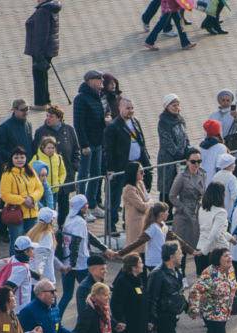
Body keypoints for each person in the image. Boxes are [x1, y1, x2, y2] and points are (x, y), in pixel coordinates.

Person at [58, 195, 116, 315]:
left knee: (66, 296)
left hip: (67, 262)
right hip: (80, 264)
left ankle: (55, 320)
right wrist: (73, 264)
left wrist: (104, 249)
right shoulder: (79, 222)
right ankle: (100, 314)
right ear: (81, 207)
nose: (87, 206)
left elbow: (87, 235)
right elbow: (76, 242)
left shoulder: (69, 218)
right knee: (97, 291)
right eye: (86, 205)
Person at [190, 247, 237, 333]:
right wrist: (193, 309)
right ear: (218, 259)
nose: (229, 258)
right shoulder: (209, 273)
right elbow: (195, 290)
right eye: (226, 256)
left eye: (230, 255)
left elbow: (231, 283)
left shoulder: (230, 269)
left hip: (224, 312)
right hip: (212, 314)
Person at [104, 98, 152, 235]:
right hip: (120, 167)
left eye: (132, 108)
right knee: (115, 198)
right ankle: (111, 227)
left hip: (135, 166)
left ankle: (128, 224)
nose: (130, 111)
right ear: (120, 108)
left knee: (134, 196)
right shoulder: (113, 127)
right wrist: (110, 168)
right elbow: (108, 149)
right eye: (127, 108)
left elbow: (141, 143)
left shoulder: (135, 122)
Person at [146, 242, 188, 333]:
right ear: (171, 256)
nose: (182, 255)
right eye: (179, 253)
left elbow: (178, 294)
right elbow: (152, 298)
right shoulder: (158, 274)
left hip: (171, 315)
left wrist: (187, 307)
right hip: (162, 316)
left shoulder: (176, 271)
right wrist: (151, 319)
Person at [33, 105, 81, 228]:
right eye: (47, 116)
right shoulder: (41, 132)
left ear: (59, 118)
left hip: (65, 175)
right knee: (48, 204)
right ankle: (47, 227)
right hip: (48, 180)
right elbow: (34, 152)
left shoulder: (68, 130)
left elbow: (76, 149)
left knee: (64, 203)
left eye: (51, 116)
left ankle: (62, 227)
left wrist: (75, 165)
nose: (48, 119)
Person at [117, 201, 195, 271]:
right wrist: (120, 253)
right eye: (167, 212)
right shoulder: (153, 228)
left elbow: (175, 238)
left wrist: (192, 251)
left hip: (161, 260)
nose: (168, 214)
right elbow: (138, 242)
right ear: (161, 214)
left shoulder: (163, 225)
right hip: (154, 261)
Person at [73, 70, 105, 220]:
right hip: (88, 144)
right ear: (90, 81)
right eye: (99, 79)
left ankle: (92, 204)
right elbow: (79, 124)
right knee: (84, 175)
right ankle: (81, 207)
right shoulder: (81, 98)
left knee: (96, 174)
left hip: (98, 142)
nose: (101, 82)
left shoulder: (97, 97)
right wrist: (84, 144)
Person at [0, 146, 44, 253]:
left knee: (32, 241)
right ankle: (14, 266)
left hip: (31, 213)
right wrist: (23, 200)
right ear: (12, 159)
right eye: (16, 158)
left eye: (22, 157)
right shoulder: (7, 174)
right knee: (17, 243)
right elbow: (5, 195)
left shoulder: (30, 170)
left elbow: (39, 188)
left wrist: (32, 198)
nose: (19, 160)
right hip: (16, 214)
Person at [24, 0, 61, 110]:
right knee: (43, 76)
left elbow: (41, 35)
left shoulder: (42, 11)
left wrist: (39, 53)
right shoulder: (52, 8)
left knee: (39, 76)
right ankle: (46, 100)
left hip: (41, 50)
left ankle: (41, 103)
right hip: (49, 48)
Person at [169, 147, 207, 252]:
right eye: (193, 162)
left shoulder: (203, 174)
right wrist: (182, 207)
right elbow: (172, 196)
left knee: (197, 247)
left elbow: (203, 192)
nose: (196, 165)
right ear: (187, 162)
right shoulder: (181, 177)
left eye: (199, 161)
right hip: (183, 216)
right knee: (181, 248)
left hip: (197, 213)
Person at [195, 182, 236, 275]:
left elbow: (210, 230)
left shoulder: (202, 209)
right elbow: (214, 234)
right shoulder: (221, 212)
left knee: (202, 284)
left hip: (200, 246)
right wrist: (204, 251)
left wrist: (230, 238)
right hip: (216, 252)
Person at [209, 89, 237, 181]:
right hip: (220, 148)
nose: (226, 102)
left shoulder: (236, 112)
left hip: (234, 148)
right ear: (219, 101)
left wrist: (236, 118)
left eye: (228, 100)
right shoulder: (213, 115)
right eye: (223, 100)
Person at [158, 94, 190, 204]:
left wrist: (188, 150)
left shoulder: (180, 119)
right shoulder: (163, 122)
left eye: (177, 105)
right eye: (173, 105)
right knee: (166, 189)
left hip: (180, 160)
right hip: (168, 160)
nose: (176, 107)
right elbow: (167, 142)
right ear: (167, 106)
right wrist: (178, 154)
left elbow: (185, 136)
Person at [27, 207, 64, 285]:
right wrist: (39, 275)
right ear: (51, 220)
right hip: (44, 281)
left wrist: (60, 267)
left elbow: (48, 255)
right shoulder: (47, 235)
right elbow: (42, 255)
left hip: (32, 279)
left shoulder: (32, 232)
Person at [5, 236, 40, 314]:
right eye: (32, 249)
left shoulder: (14, 259)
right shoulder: (21, 269)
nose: (33, 251)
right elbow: (8, 286)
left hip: (19, 309)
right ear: (26, 251)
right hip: (19, 310)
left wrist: (35, 275)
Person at [30, 135, 67, 206]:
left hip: (54, 190)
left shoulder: (59, 158)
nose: (51, 150)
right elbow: (30, 172)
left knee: (52, 210)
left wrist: (59, 182)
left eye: (53, 148)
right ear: (43, 148)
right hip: (41, 191)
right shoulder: (36, 157)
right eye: (48, 148)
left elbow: (63, 172)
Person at [200, 119, 227, 186]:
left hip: (203, 181)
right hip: (215, 183)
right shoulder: (221, 147)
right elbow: (221, 167)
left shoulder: (201, 147)